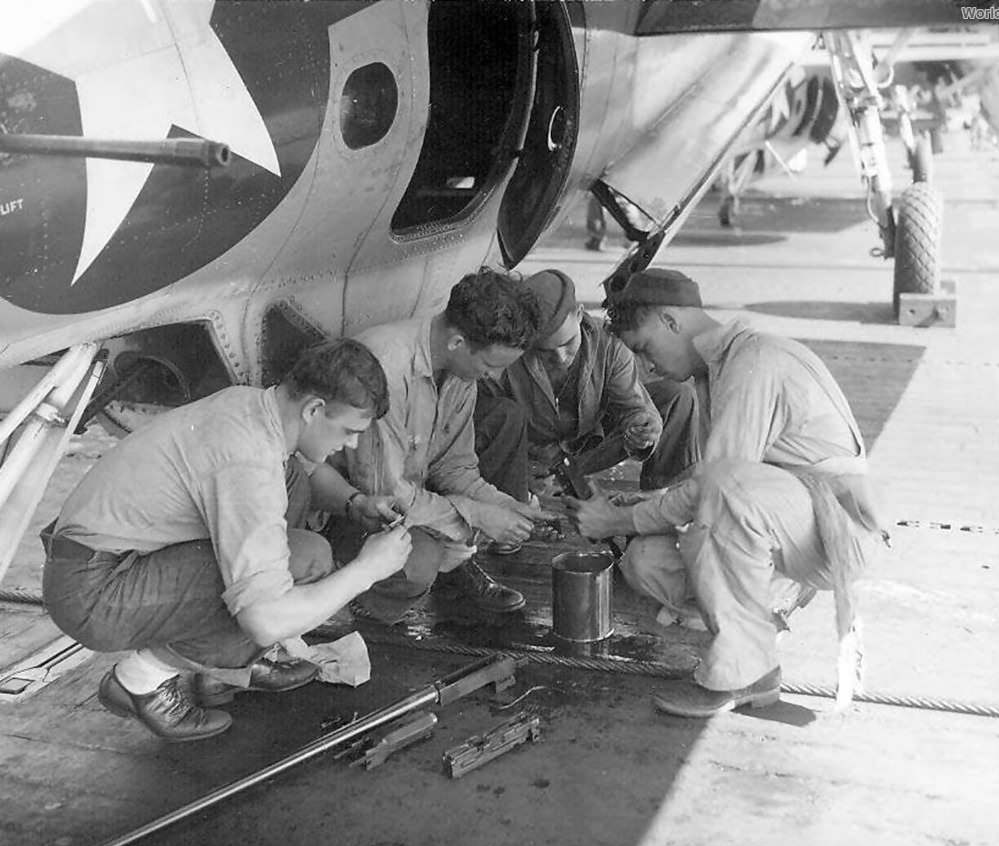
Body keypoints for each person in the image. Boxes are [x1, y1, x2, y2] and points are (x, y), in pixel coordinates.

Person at [41, 339, 412, 742]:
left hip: (108, 556)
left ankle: (231, 664)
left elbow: (293, 476)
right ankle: (141, 681)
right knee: (305, 561)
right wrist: (368, 570)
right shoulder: (246, 459)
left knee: (292, 481)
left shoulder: (254, 406)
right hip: (93, 591)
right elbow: (265, 619)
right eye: (350, 431)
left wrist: (354, 502)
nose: (353, 444)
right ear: (314, 410)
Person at [564, 268, 887, 718]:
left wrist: (615, 521)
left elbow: (718, 485)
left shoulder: (755, 361)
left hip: (837, 534)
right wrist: (639, 505)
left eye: (644, 348)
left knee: (719, 487)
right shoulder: (715, 373)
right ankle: (758, 608)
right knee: (645, 562)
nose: (647, 368)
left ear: (672, 321)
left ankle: (746, 670)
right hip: (792, 525)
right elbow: (713, 481)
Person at [320, 267, 550, 623]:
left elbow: (454, 466)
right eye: (490, 364)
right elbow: (384, 494)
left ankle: (448, 561)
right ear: (457, 342)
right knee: (419, 564)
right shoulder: (385, 369)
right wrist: (473, 516)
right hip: (350, 507)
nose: (494, 377)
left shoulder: (460, 370)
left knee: (505, 421)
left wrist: (505, 506)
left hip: (404, 494)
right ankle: (343, 606)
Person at [476, 269, 700, 513]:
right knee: (504, 415)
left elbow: (633, 407)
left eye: (567, 344)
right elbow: (487, 427)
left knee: (677, 396)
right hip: (532, 461)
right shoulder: (508, 353)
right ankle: (519, 498)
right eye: (544, 352)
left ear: (580, 314)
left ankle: (658, 499)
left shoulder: (610, 344)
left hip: (589, 450)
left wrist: (642, 427)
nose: (560, 358)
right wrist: (519, 474)